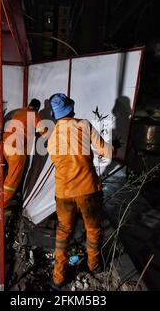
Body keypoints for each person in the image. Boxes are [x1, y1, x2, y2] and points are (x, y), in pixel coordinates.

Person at [46, 93, 114, 289]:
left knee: (63, 232)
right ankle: (94, 266)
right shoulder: (83, 124)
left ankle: (58, 277)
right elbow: (105, 151)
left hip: (63, 193)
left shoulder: (51, 137)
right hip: (88, 190)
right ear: (71, 109)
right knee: (92, 230)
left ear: (54, 114)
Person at [0, 99, 45, 211]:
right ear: (37, 108)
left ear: (28, 105)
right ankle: (2, 204)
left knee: (8, 174)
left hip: (5, 145)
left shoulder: (19, 112)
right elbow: (44, 131)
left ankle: (2, 197)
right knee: (13, 178)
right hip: (16, 149)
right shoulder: (34, 114)